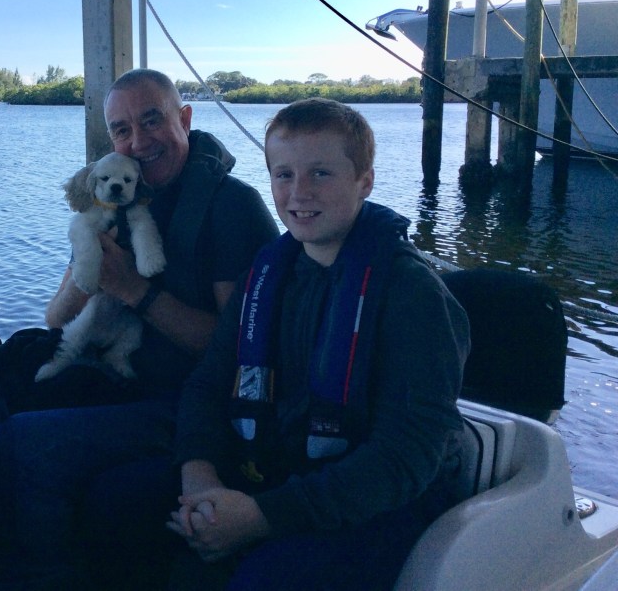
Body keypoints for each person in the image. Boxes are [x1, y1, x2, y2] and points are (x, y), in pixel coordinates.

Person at [0, 69, 279, 587]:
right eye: (121, 130)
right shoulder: (116, 196)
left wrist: (133, 290)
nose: (137, 142)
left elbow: (238, 350)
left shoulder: (232, 207)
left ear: (184, 119)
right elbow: (56, 318)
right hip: (118, 376)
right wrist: (92, 261)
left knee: (21, 445)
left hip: (189, 402)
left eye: (151, 120)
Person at [165, 98, 471, 591]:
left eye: (321, 173)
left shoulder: (413, 296)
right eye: (283, 175)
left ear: (364, 182)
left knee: (266, 579)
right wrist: (200, 480)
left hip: (378, 503)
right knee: (118, 506)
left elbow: (405, 457)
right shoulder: (264, 279)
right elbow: (207, 384)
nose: (298, 193)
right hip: (276, 472)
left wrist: (262, 517)